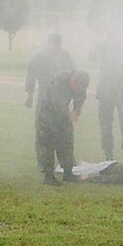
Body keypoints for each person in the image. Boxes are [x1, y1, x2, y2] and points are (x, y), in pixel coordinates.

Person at [25, 33, 75, 170]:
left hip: (61, 97)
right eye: (54, 45)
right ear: (48, 44)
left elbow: (72, 75)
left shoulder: (65, 56)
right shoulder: (38, 56)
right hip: (44, 96)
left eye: (58, 45)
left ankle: (66, 161)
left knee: (64, 128)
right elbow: (31, 75)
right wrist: (29, 94)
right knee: (42, 130)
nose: (56, 48)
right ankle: (43, 162)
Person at [89, 29, 123, 162]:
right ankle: (108, 156)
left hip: (122, 89)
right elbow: (92, 57)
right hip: (106, 89)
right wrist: (97, 47)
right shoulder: (102, 45)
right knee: (105, 124)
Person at [36, 69, 89, 186]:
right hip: (48, 115)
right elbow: (59, 104)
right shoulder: (59, 82)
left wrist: (76, 110)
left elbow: (80, 97)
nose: (77, 89)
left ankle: (68, 173)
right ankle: (48, 176)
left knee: (67, 144)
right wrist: (68, 123)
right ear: (73, 79)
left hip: (62, 114)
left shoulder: (79, 84)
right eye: (76, 86)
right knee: (48, 145)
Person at [57, 160, 123, 185]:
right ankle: (66, 166)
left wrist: (89, 178)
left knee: (85, 169)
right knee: (88, 167)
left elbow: (110, 179)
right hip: (111, 165)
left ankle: (61, 168)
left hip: (106, 169)